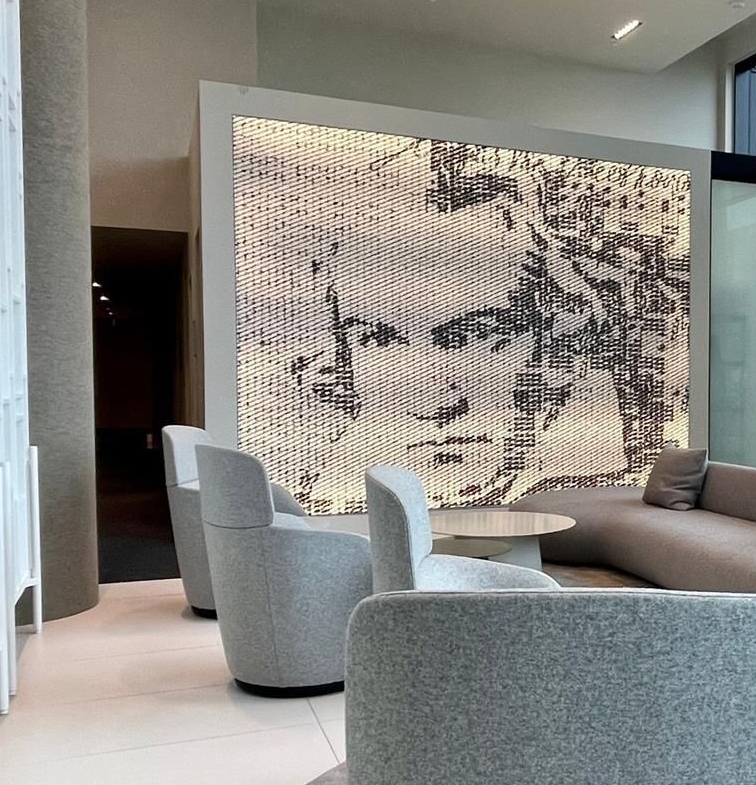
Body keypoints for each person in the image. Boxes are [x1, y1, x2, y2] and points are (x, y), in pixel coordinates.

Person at [232, 118, 691, 512]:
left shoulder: (593, 489)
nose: (433, 401)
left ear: (552, 341)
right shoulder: (311, 503)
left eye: (475, 336)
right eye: (377, 339)